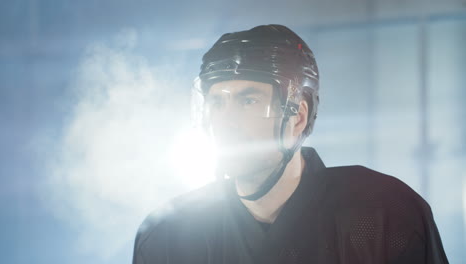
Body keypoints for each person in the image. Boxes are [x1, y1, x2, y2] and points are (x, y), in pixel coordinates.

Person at [132, 24, 449, 264]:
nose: (224, 122)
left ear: (297, 116)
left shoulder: (386, 215)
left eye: (248, 101)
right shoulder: (168, 236)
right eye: (217, 103)